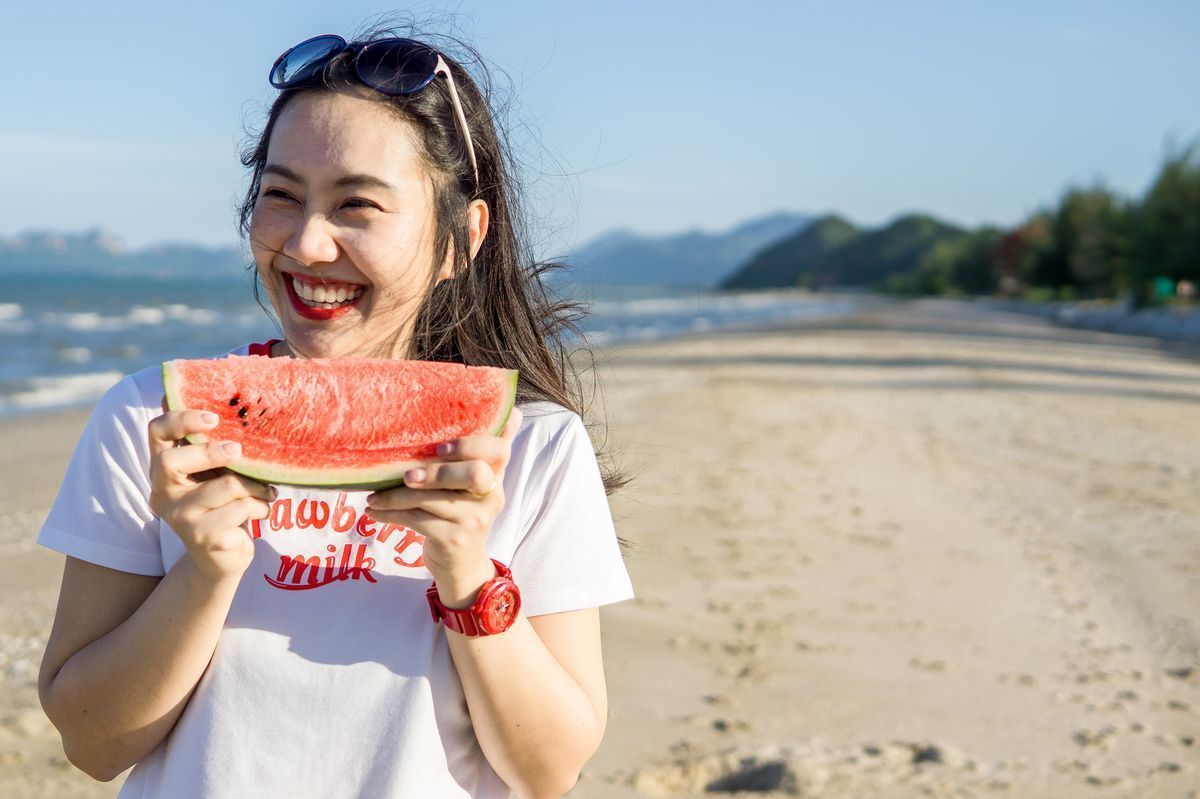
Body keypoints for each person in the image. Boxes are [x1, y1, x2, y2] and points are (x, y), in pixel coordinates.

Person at [36, 26, 634, 799]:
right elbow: (92, 743)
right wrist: (205, 573)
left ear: (463, 239)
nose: (309, 244)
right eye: (282, 195)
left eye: (357, 205)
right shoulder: (151, 420)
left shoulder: (535, 446)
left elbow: (548, 770)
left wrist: (467, 575)